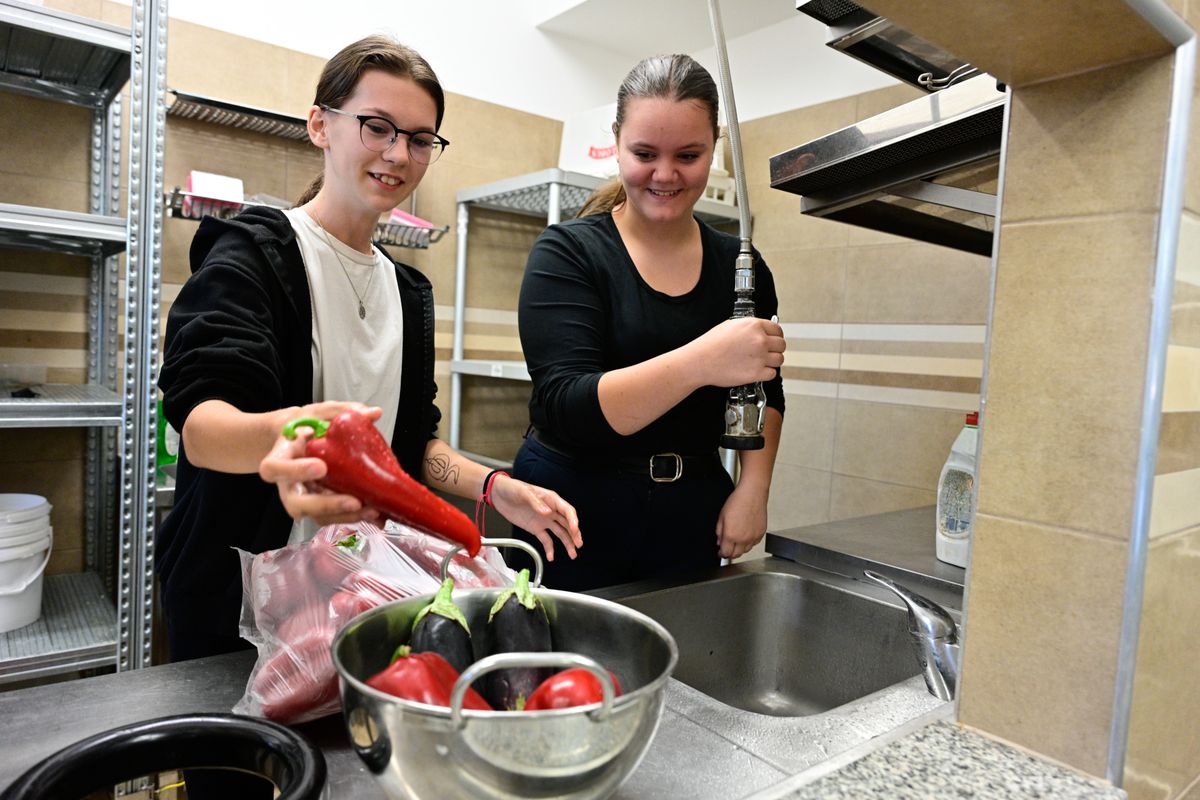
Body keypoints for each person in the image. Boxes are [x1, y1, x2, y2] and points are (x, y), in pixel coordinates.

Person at [158, 34, 582, 678]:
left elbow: (411, 448)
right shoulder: (255, 251)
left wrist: (498, 490)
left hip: (358, 593)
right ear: (320, 125)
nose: (398, 154)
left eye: (419, 139)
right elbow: (202, 427)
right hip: (238, 600)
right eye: (377, 127)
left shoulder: (408, 291)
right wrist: (289, 440)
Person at [509, 54, 786, 592]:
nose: (665, 174)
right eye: (644, 154)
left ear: (715, 149)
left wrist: (754, 489)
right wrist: (703, 360)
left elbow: (765, 392)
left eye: (688, 155)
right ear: (616, 144)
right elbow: (569, 406)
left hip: (691, 514)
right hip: (568, 515)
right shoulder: (567, 253)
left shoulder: (741, 268)